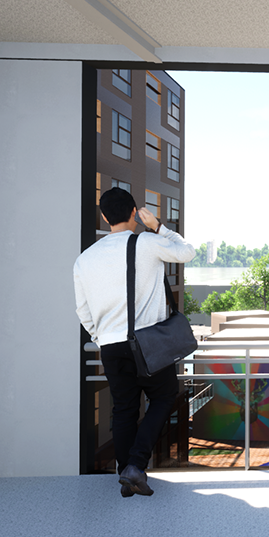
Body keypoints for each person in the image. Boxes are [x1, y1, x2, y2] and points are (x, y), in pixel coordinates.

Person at [74, 188, 196, 498]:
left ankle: (125, 474)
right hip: (148, 342)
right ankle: (135, 466)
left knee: (124, 409)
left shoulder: (84, 259)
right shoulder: (147, 242)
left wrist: (100, 337)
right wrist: (157, 226)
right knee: (165, 395)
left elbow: (83, 311)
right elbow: (186, 252)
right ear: (133, 213)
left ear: (104, 217)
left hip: (110, 346)